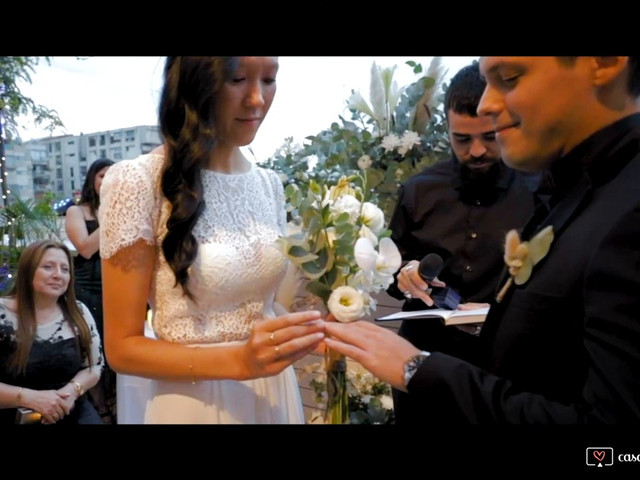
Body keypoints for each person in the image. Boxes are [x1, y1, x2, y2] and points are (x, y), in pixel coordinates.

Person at [324, 56, 640, 424]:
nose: (489, 105)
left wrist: (415, 368)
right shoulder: (573, 192)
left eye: (510, 77)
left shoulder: (625, 208)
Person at [99, 56, 325, 424]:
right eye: (237, 79)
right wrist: (238, 361)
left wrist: (308, 329)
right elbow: (122, 349)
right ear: (194, 82)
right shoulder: (137, 182)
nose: (257, 99)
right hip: (195, 399)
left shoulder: (269, 185)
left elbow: (257, 305)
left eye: (269, 80)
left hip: (273, 394)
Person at [388, 62, 535, 422]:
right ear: (446, 129)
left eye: (489, 136)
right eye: (462, 140)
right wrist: (405, 275)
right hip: (424, 361)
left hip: (505, 369)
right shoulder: (418, 191)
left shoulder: (540, 190)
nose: (478, 151)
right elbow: (392, 274)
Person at [0, 240, 103, 424]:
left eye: (65, 269)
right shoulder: (2, 314)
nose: (58, 275)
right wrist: (28, 398)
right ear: (27, 271)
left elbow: (94, 366)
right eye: (48, 267)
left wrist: (72, 391)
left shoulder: (78, 311)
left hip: (68, 409)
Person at [65, 157, 116, 423]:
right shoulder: (77, 211)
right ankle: (100, 410)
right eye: (101, 176)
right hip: (88, 290)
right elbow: (85, 248)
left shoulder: (123, 209)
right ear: (92, 180)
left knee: (117, 350)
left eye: (112, 175)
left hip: (117, 288)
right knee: (94, 351)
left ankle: (118, 406)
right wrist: (113, 213)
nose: (107, 180)